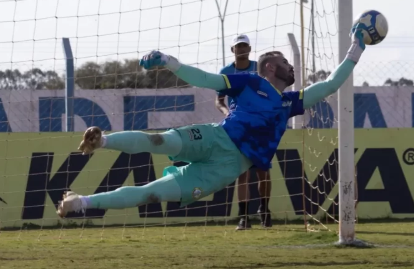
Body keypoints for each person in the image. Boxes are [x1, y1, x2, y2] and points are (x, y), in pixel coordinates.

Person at [56, 24, 369, 217]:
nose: (292, 67)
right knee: (160, 140)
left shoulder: (289, 103)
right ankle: (104, 141)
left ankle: (81, 203)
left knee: (151, 193)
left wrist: (357, 47)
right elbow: (207, 79)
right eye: (286, 62)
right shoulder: (249, 81)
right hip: (215, 138)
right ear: (270, 68)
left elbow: (329, 85)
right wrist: (169, 62)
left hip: (227, 169)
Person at [217, 34, 271, 230]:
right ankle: (244, 217)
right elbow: (219, 100)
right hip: (238, 126)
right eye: (238, 46)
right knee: (242, 173)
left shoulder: (259, 68)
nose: (242, 49)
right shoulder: (226, 72)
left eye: (245, 46)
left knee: (263, 171)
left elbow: (270, 93)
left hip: (259, 125)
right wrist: (227, 112)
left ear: (249, 48)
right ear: (233, 50)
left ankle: (265, 211)